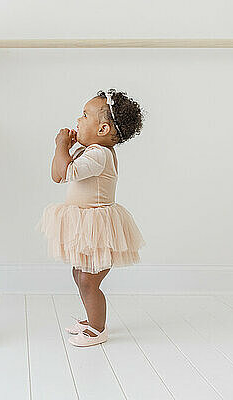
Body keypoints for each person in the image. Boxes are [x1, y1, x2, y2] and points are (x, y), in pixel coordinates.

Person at [40, 89, 146, 347]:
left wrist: (61, 145)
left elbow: (65, 173)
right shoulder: (90, 152)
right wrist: (67, 147)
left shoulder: (99, 154)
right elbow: (57, 174)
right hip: (86, 224)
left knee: (89, 281)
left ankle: (98, 328)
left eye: (84, 115)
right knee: (80, 276)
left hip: (97, 227)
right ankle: (91, 319)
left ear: (102, 129)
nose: (78, 120)